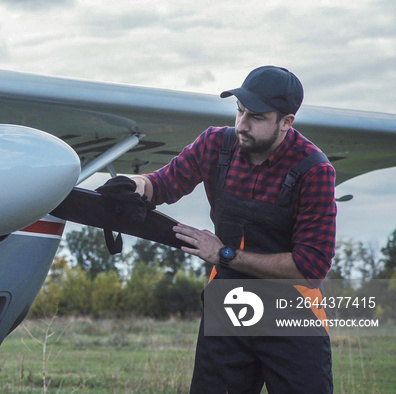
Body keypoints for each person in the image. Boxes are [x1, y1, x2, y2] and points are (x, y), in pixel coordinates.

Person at [130, 66, 336, 393]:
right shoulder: (215, 145)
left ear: (286, 122)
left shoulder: (314, 170)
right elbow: (162, 184)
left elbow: (311, 267)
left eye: (256, 117)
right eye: (239, 111)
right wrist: (133, 185)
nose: (242, 124)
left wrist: (224, 254)